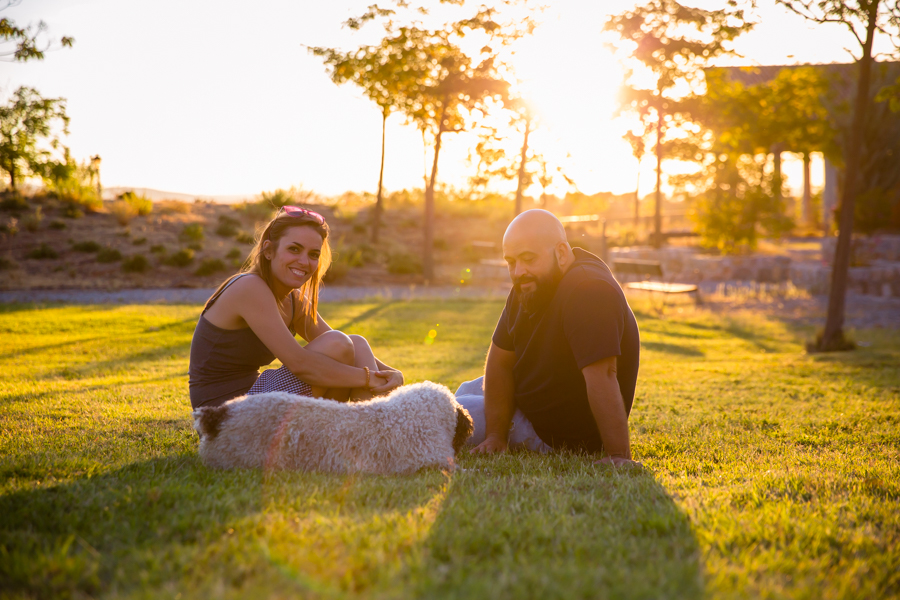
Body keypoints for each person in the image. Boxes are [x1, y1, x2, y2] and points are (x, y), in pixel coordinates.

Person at [463, 209, 641, 467]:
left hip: (556, 432)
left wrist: (618, 456)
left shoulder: (588, 289)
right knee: (464, 392)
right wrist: (495, 436)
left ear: (561, 252)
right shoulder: (529, 284)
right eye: (511, 261)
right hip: (533, 397)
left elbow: (603, 374)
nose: (518, 271)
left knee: (442, 415)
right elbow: (500, 360)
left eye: (528, 259)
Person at [189, 205, 403, 409]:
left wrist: (394, 374)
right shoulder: (249, 287)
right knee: (338, 343)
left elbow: (351, 349)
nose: (304, 261)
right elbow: (301, 364)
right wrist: (368, 378)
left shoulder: (293, 299)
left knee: (357, 342)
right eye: (294, 249)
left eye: (313, 254)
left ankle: (360, 433)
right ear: (269, 250)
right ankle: (365, 434)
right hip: (223, 415)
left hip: (254, 401)